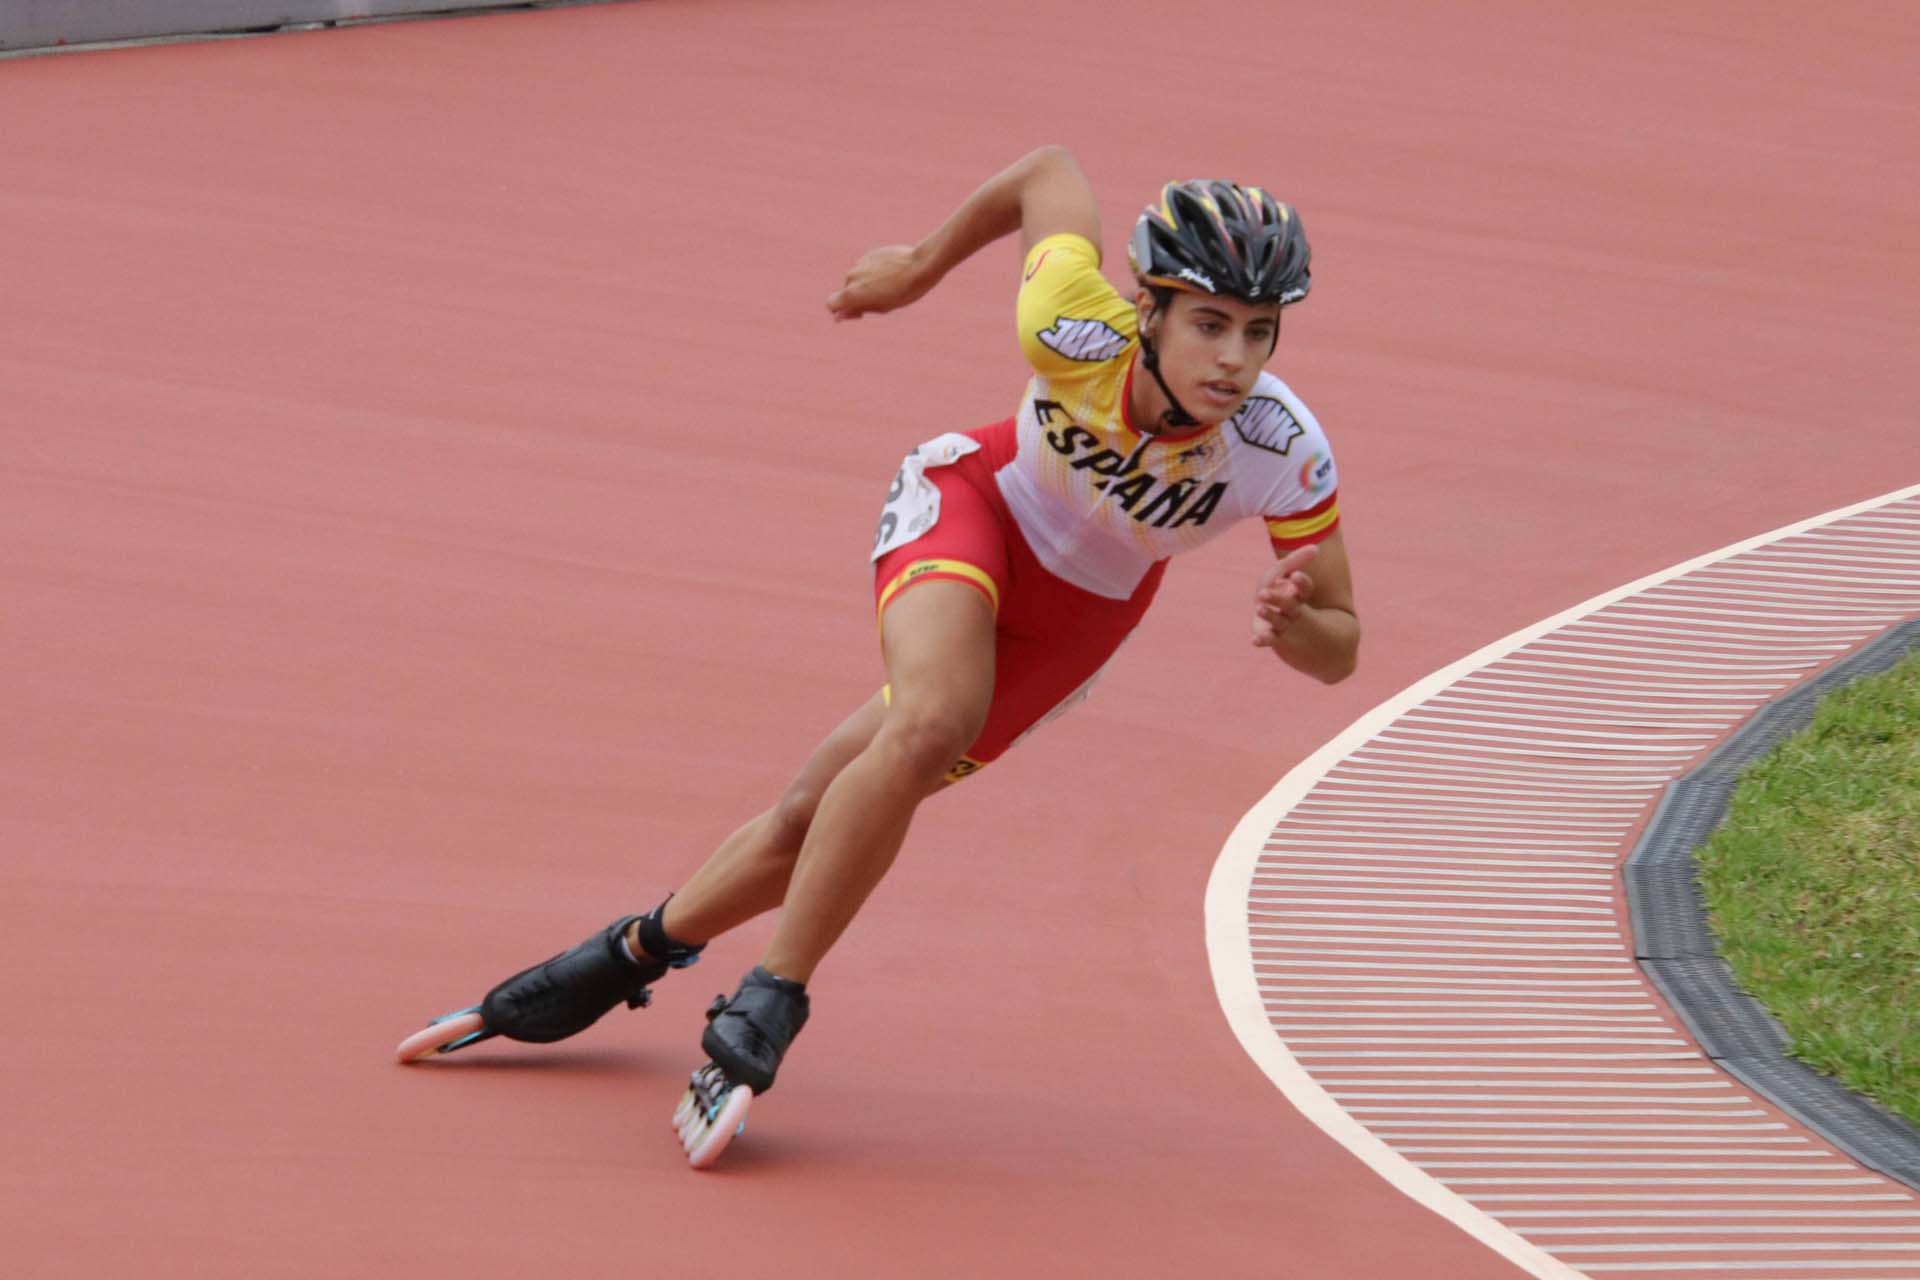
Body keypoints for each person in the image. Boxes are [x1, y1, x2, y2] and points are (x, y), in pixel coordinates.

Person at [430, 145, 1359, 1152]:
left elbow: (1341, 648)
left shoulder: (1280, 446)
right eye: (1210, 324)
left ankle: (629, 950)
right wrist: (919, 266)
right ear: (1151, 310)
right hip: (974, 508)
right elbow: (1046, 171)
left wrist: (1298, 626)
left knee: (811, 815)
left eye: (1258, 334)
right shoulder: (1069, 321)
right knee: (924, 726)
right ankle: (771, 999)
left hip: (1080, 618)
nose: (1233, 359)